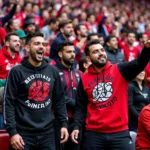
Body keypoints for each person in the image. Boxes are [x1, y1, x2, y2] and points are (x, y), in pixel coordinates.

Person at [71, 39, 150, 150]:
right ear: (88, 58)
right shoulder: (84, 79)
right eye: (95, 52)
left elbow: (139, 63)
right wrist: (76, 126)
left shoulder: (120, 69)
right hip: (94, 134)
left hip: (119, 133)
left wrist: (147, 49)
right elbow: (80, 107)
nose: (101, 53)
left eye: (102, 50)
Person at [3, 32, 69, 150]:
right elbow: (8, 103)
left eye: (43, 44)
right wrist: (13, 133)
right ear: (27, 48)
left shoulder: (53, 71)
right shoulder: (16, 71)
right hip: (23, 135)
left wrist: (64, 123)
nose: (41, 47)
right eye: (37, 43)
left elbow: (60, 100)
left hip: (48, 133)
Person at [54, 41, 82, 150]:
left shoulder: (79, 73)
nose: (72, 54)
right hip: (58, 120)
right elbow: (54, 95)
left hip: (76, 120)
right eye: (68, 52)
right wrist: (74, 103)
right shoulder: (53, 71)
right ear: (60, 54)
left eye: (73, 52)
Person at [128, 71, 150, 146]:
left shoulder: (147, 89)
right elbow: (129, 105)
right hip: (134, 121)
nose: (141, 73)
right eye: (139, 71)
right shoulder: (130, 87)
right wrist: (140, 118)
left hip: (146, 120)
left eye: (143, 71)